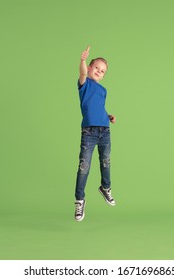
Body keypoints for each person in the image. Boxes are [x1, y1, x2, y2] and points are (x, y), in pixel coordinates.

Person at [74, 46, 116, 222]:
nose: (99, 72)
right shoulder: (84, 84)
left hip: (104, 130)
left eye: (102, 71)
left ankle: (105, 188)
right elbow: (82, 73)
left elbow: (98, 107)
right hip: (89, 132)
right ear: (90, 68)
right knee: (84, 167)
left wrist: (108, 116)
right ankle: (79, 200)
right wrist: (83, 60)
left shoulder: (103, 90)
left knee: (106, 162)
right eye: (96, 68)